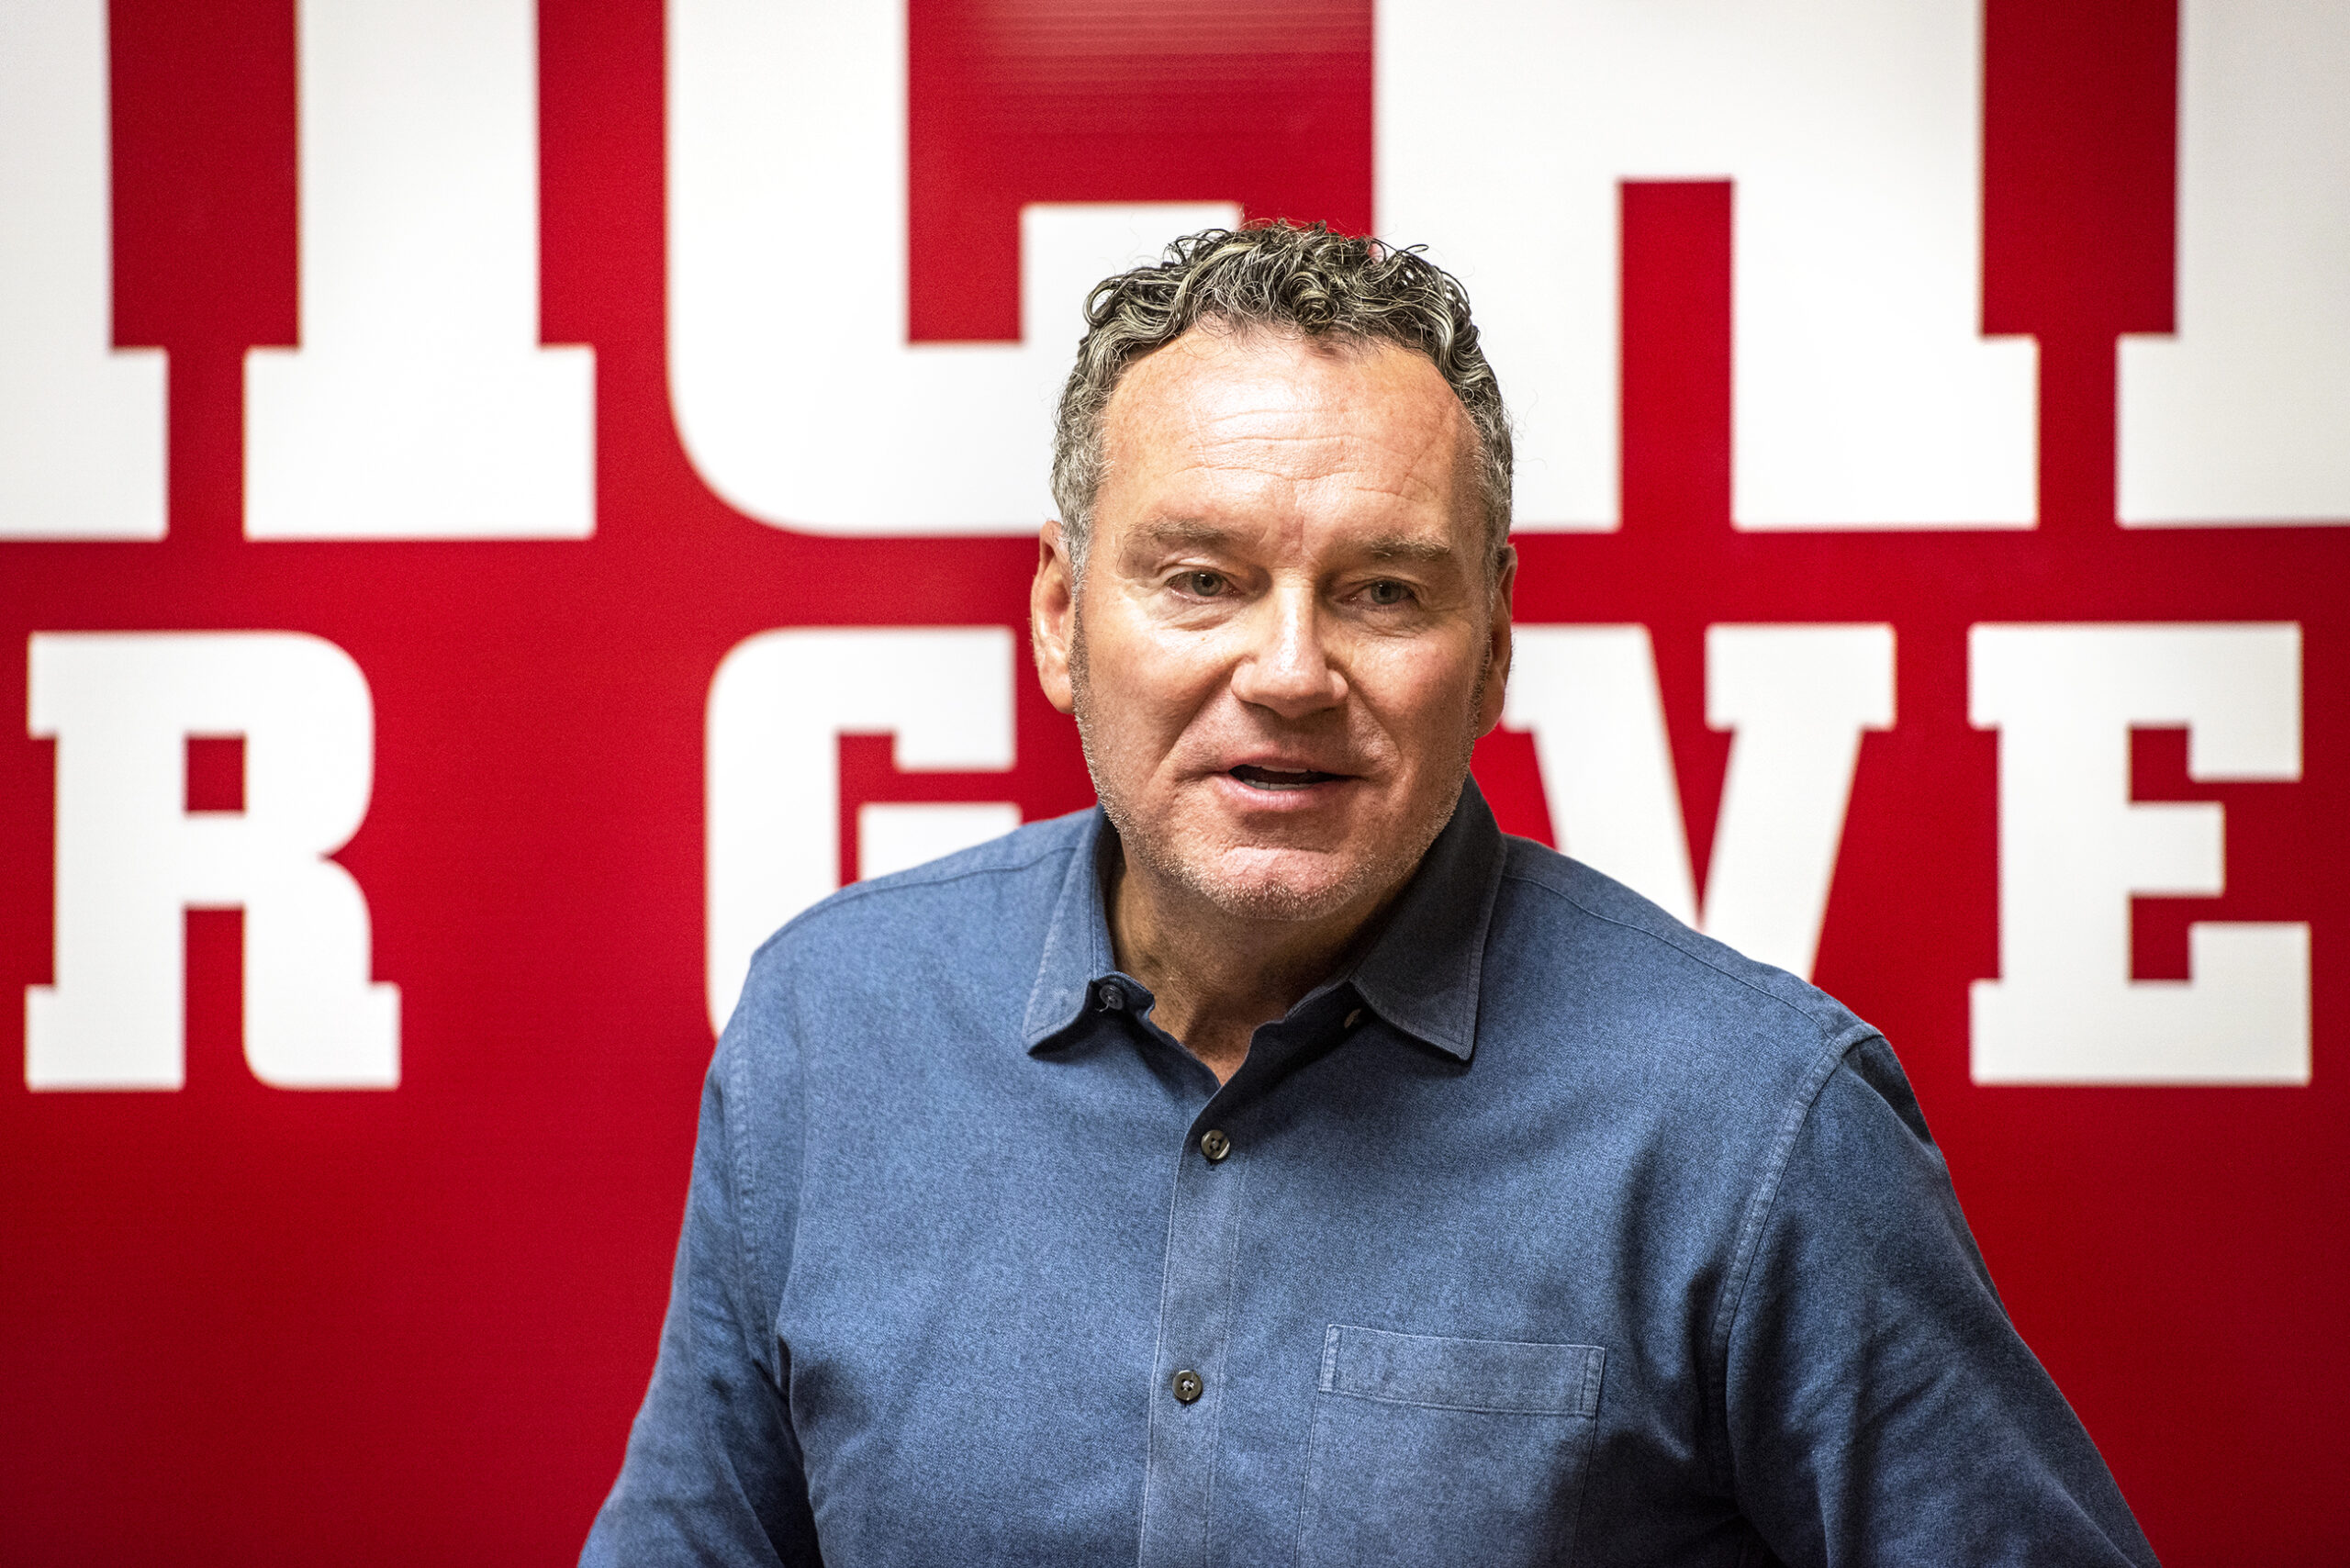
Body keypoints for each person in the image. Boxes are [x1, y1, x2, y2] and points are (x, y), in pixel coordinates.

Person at [585, 224, 2156, 1565]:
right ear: (1062, 617)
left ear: (1491, 649)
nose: (1288, 672)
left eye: (1382, 591)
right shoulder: (830, 1029)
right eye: (1199, 577)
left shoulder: (1753, 1121)